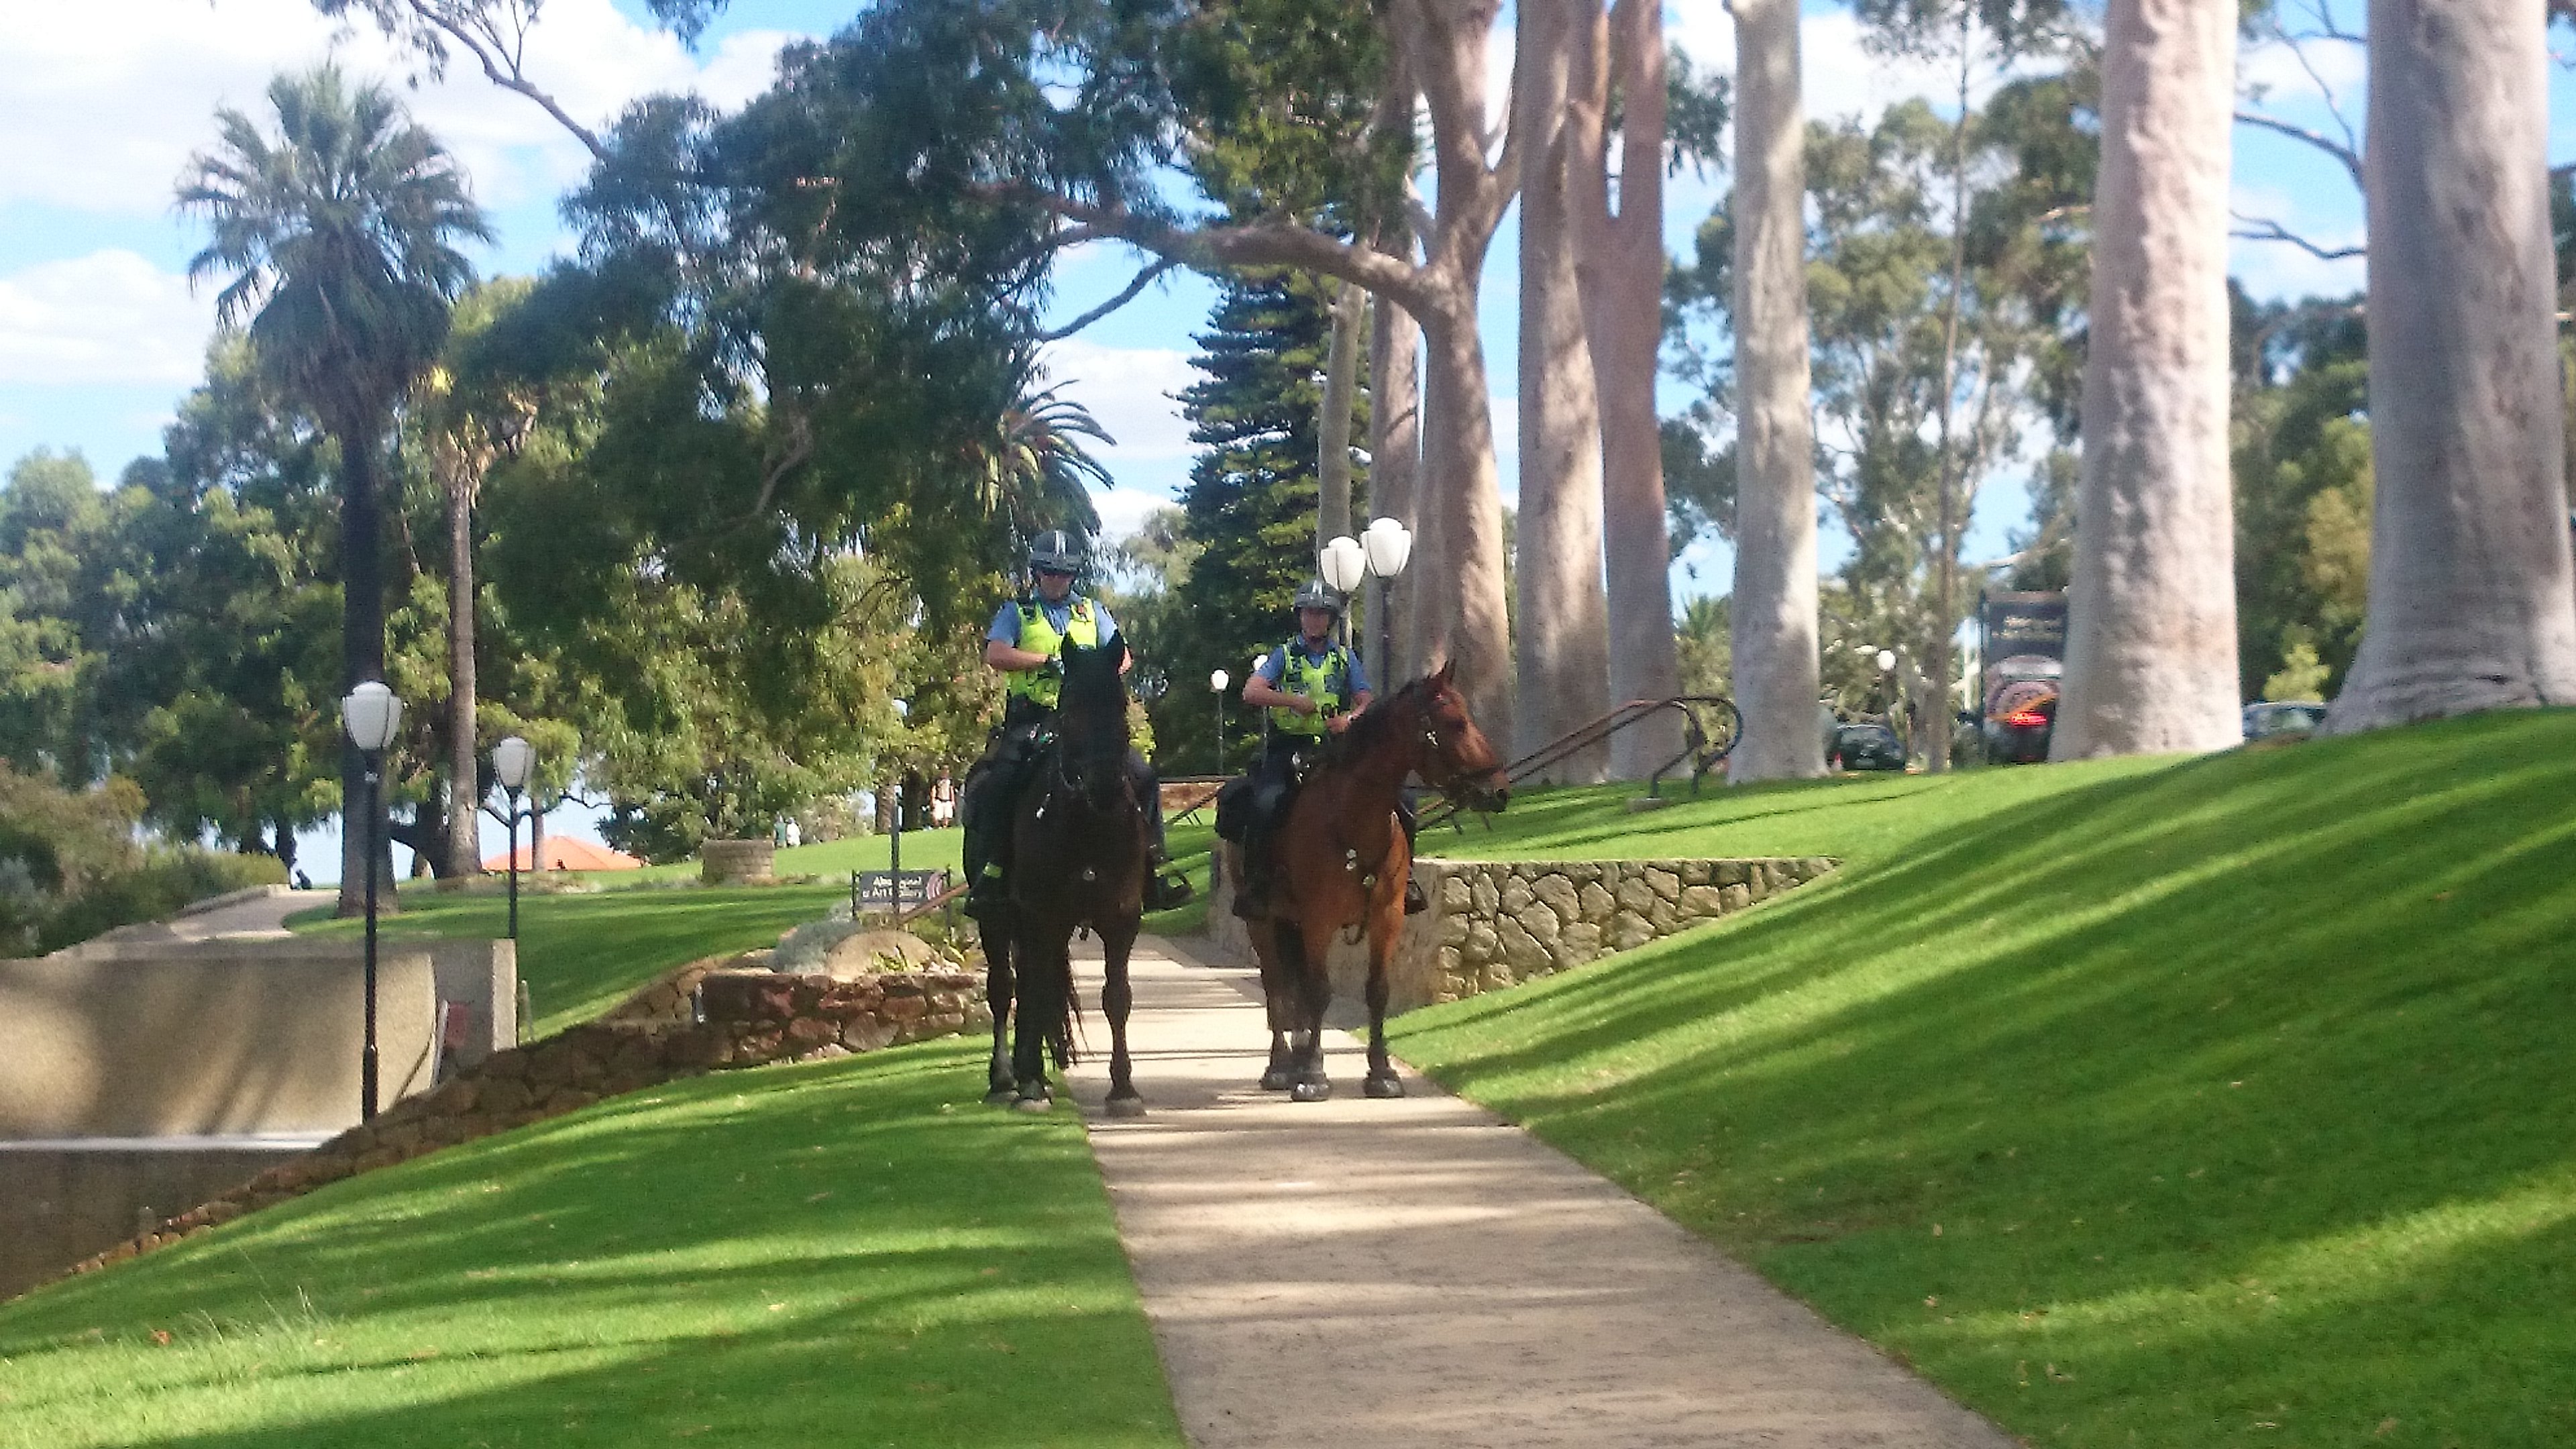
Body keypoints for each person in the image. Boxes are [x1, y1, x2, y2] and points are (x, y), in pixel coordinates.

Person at [963, 529, 1191, 916]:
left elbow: (1123, 658)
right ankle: (995, 870)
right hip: (1033, 718)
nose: (1057, 579)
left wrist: (1092, 670)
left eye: (1064, 573)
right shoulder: (1017, 612)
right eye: (1050, 572)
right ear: (1037, 573)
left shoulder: (1093, 612)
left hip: (1087, 721)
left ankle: (1155, 865)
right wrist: (1046, 662)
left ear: (1074, 575)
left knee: (1143, 776)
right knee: (999, 783)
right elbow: (996, 653)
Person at [1232, 578, 1375, 919]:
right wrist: (1291, 701)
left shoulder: (1345, 658)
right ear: (1300, 617)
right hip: (1289, 748)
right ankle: (1257, 884)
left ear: (1330, 619)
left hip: (1334, 748)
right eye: (1309, 614)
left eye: (1321, 614)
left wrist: (1351, 719)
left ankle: (1398, 878)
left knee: (1396, 801)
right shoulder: (1283, 655)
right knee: (1266, 805)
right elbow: (1251, 692)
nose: (1315, 620)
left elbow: (1367, 699)